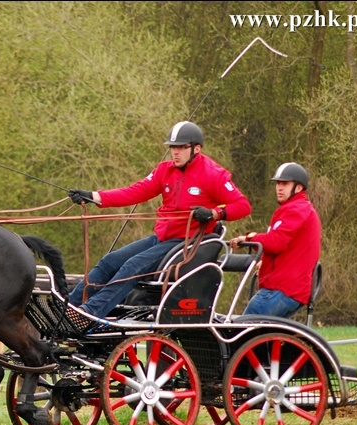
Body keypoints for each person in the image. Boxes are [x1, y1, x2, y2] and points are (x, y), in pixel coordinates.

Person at [66, 120, 252, 319]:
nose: (175, 152)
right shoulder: (165, 170)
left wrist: (214, 213)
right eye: (173, 147)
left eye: (181, 147)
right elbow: (135, 192)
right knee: (109, 262)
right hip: (161, 238)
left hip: (186, 243)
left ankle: (88, 312)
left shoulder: (213, 174)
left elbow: (242, 206)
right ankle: (68, 305)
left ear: (196, 149)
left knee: (132, 267)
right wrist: (95, 196)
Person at [229, 162, 321, 319]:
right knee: (255, 334)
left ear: (298, 188)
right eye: (278, 183)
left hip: (281, 289)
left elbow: (276, 242)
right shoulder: (296, 208)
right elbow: (288, 245)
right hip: (287, 288)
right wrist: (264, 260)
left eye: (284, 184)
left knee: (241, 332)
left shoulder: (295, 210)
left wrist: (249, 238)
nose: (279, 187)